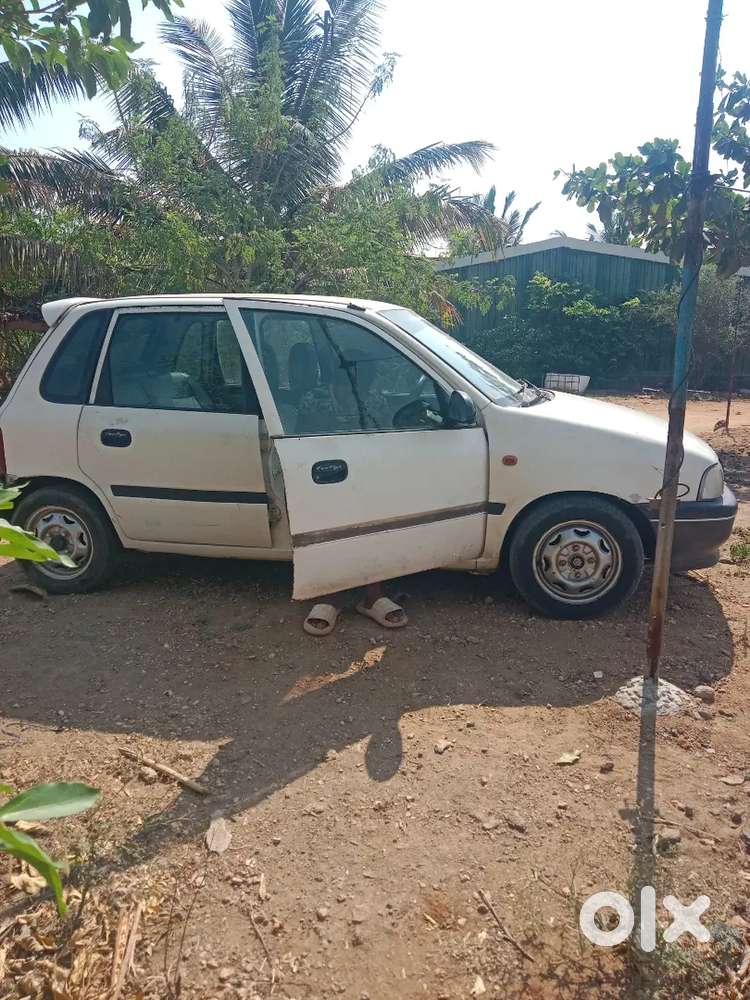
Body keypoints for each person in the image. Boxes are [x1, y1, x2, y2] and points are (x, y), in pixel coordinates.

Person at [298, 350, 408, 636]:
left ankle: (372, 596)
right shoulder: (315, 398)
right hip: (324, 478)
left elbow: (383, 443)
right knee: (327, 525)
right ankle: (328, 596)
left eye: (369, 377)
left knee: (374, 520)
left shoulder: (374, 399)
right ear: (340, 373)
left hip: (364, 479)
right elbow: (301, 444)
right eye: (361, 375)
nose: (367, 381)